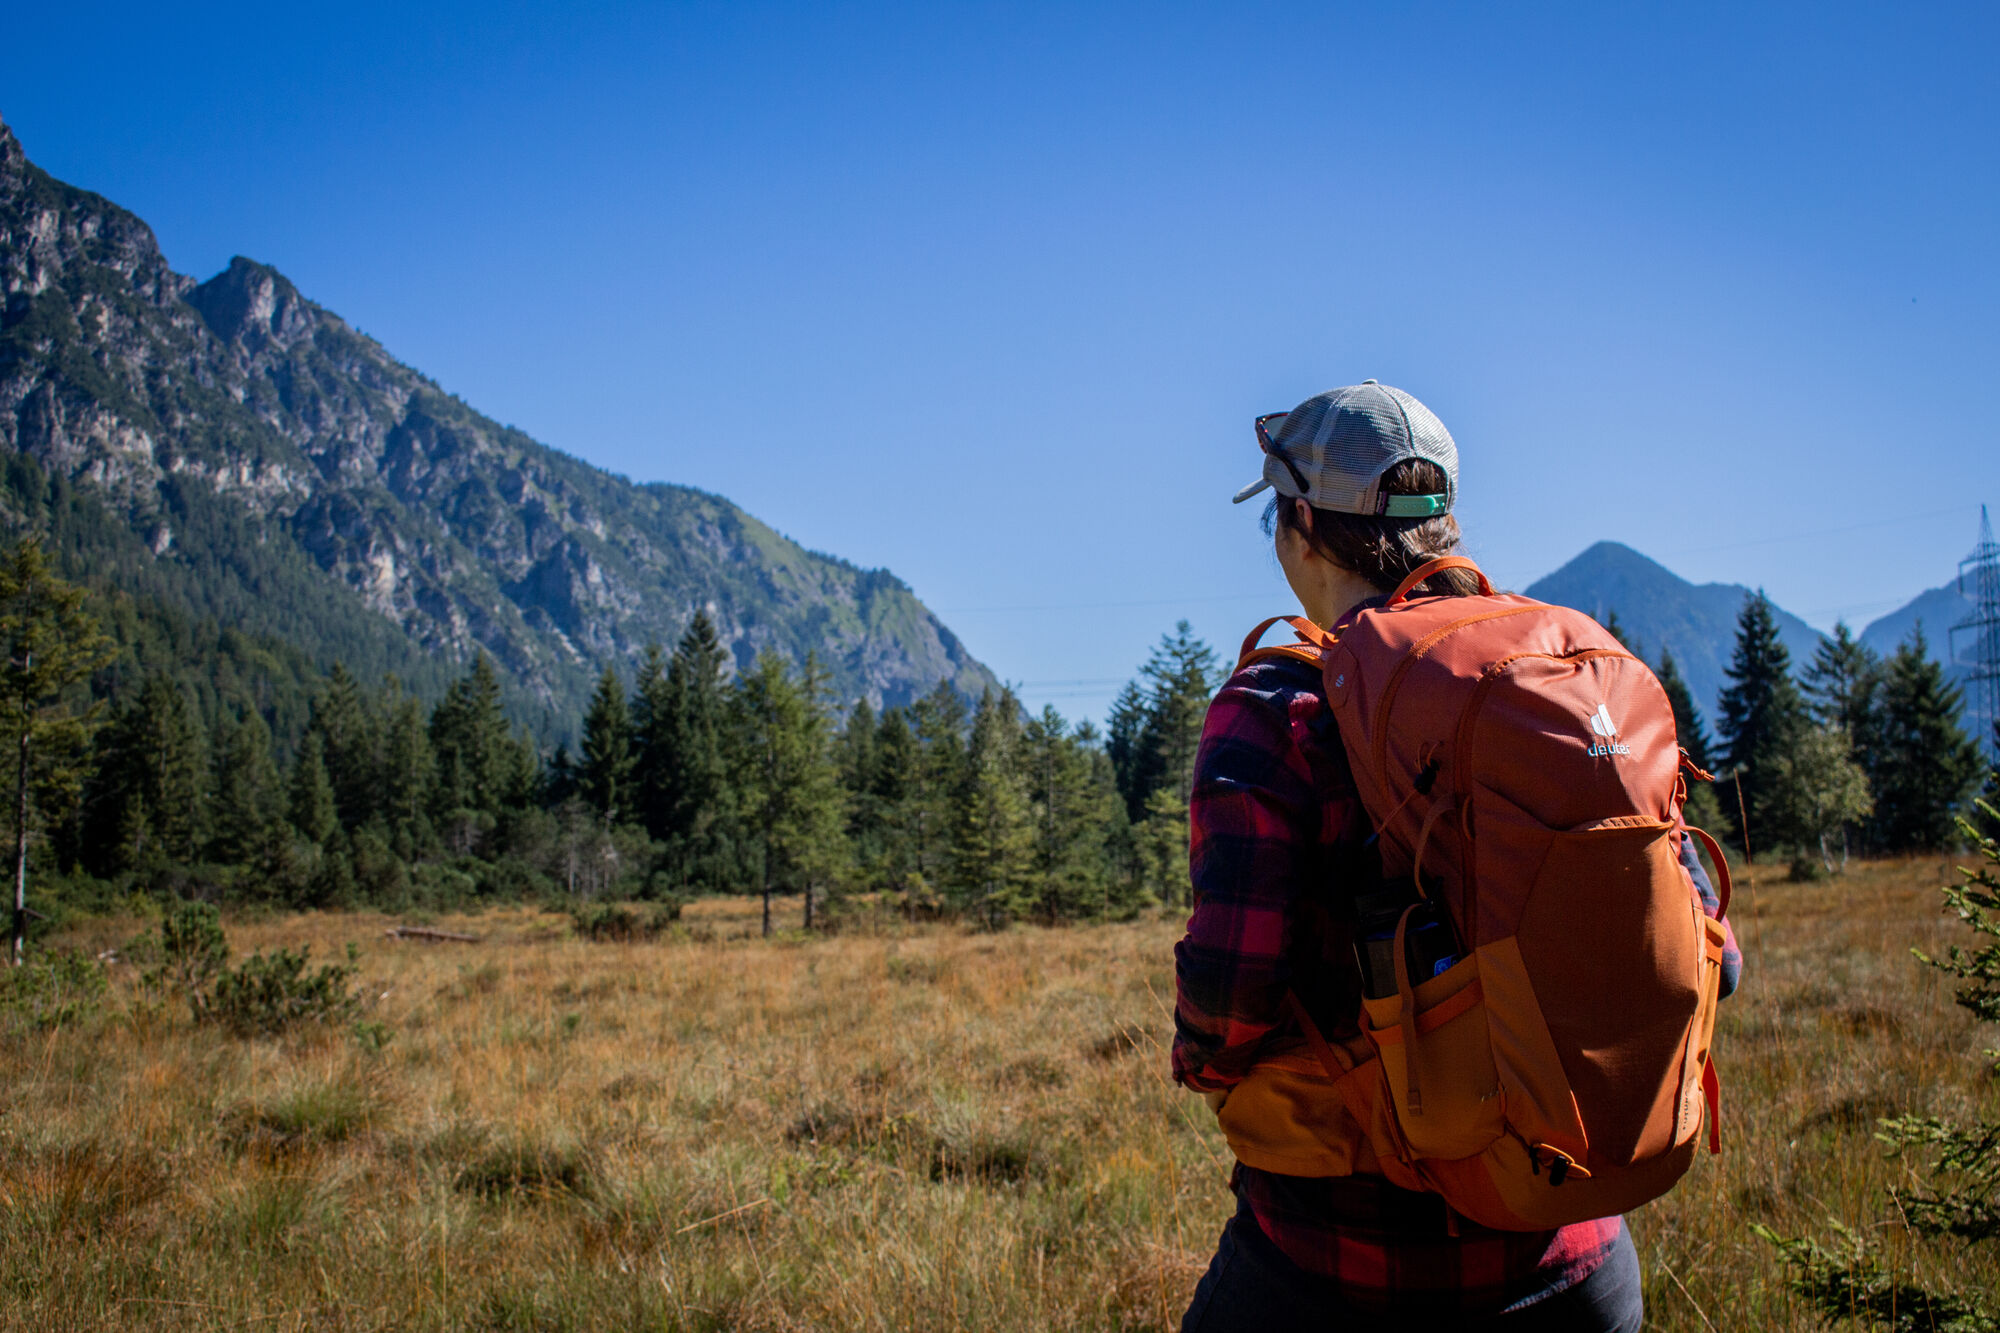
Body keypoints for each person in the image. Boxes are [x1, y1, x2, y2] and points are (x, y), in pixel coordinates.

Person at [1173, 382, 1740, 1332]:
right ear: (1442, 523)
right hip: (1576, 1257)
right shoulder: (1563, 681)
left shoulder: (1275, 711)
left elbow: (1229, 1003)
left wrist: (1201, 1059)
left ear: (1301, 527)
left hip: (1343, 1259)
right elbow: (1712, 949)